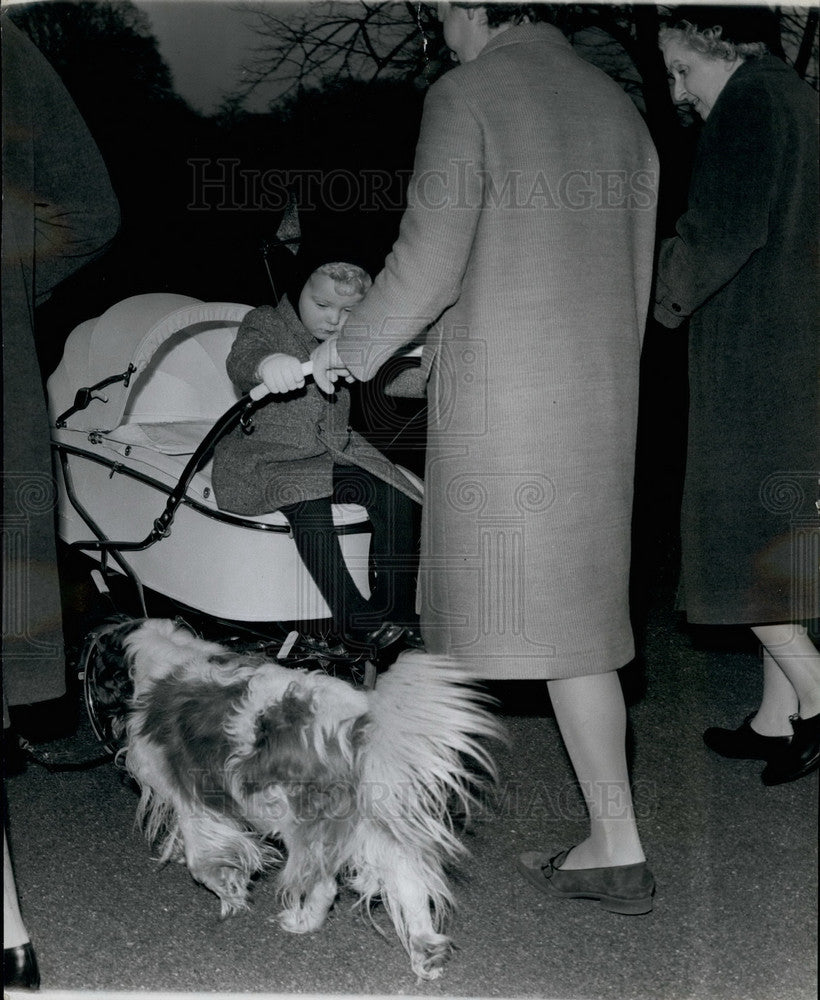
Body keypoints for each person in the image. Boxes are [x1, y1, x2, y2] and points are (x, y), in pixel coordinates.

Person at [312, 4, 659, 912]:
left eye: (440, 16)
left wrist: (341, 353)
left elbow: (429, 260)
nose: (441, 34)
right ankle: (615, 842)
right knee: (579, 636)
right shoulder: (617, 107)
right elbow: (583, 268)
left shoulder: (468, 94)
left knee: (457, 624)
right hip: (599, 404)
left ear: (473, 4)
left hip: (506, 423)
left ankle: (396, 848)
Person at [655, 6, 820, 785]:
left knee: (742, 543)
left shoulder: (750, 105)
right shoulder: (798, 98)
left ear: (720, 45)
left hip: (757, 366)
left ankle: (818, 698)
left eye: (683, 69)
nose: (679, 91)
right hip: (797, 360)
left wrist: (650, 297)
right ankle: (775, 717)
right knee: (778, 541)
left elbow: (721, 228)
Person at [211, 260, 422, 652]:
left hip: (331, 449)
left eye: (348, 312)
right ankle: (352, 617)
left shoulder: (352, 340)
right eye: (321, 304)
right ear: (299, 291)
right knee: (305, 498)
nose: (333, 320)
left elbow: (391, 375)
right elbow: (243, 357)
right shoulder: (267, 321)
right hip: (267, 456)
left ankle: (396, 608)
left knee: (396, 492)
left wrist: (426, 369)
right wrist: (267, 365)